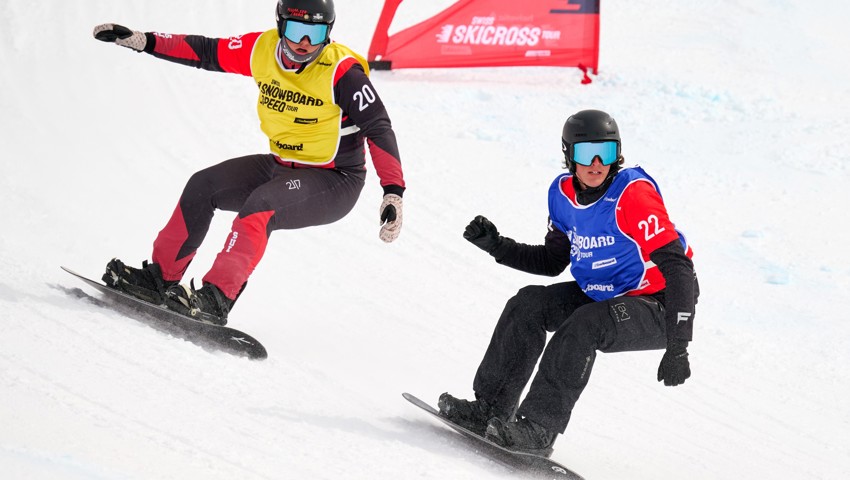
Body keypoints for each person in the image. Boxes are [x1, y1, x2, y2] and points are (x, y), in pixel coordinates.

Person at [92, 0, 405, 325]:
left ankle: (216, 298)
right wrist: (145, 41)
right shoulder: (262, 49)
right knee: (203, 186)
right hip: (281, 164)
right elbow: (206, 51)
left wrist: (393, 191)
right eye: (297, 31)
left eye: (316, 34)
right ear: (281, 26)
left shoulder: (343, 72)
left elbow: (378, 127)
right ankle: (160, 279)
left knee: (260, 206)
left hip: (335, 179)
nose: (305, 43)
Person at [438, 109, 698, 457]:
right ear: (568, 155)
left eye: (604, 153)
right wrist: (497, 246)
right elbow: (552, 262)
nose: (595, 164)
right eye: (584, 153)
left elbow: (679, 269)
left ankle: (538, 430)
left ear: (616, 155)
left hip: (661, 303)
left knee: (584, 324)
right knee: (528, 303)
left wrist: (678, 345)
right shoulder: (561, 196)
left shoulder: (632, 195)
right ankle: (490, 410)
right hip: (604, 292)